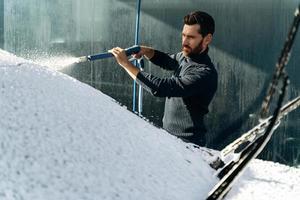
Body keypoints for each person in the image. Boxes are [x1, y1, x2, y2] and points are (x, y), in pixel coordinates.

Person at [109, 11, 218, 147]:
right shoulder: (185, 57)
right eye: (183, 35)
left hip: (189, 146)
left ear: (207, 39)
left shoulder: (204, 73)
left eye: (191, 37)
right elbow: (168, 60)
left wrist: (126, 64)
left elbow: (160, 88)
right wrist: (146, 51)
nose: (184, 42)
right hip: (170, 139)